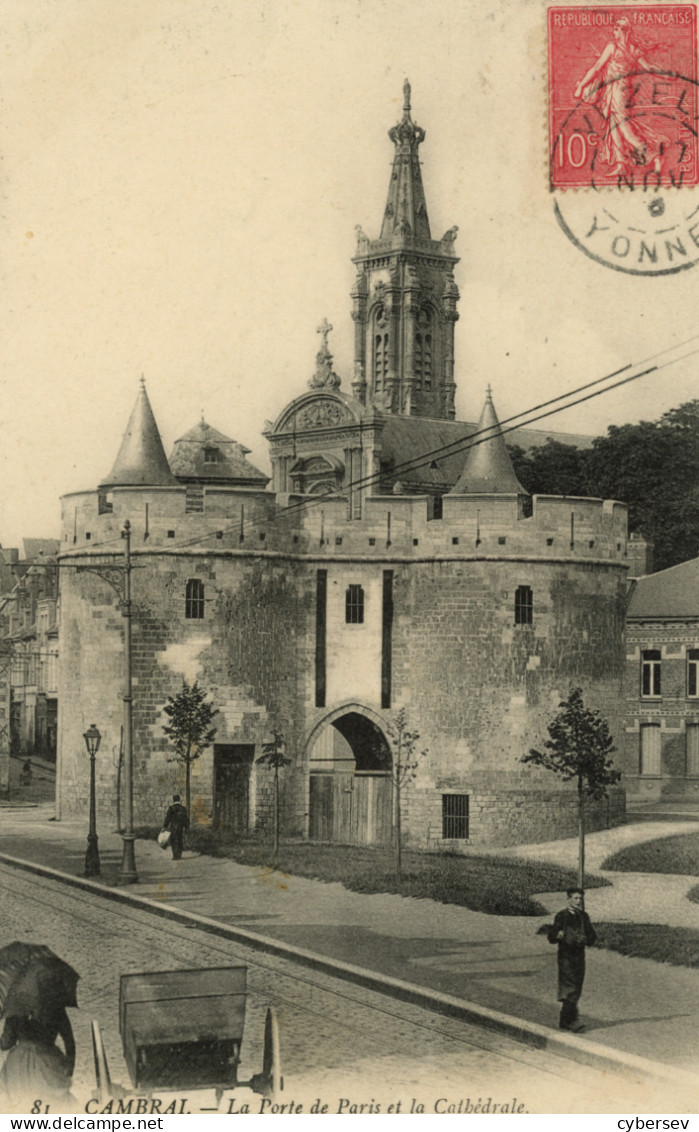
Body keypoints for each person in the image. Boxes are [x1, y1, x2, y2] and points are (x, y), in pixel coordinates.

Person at [574, 17, 666, 176]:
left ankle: (654, 155)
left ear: (623, 31)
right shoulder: (633, 49)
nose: (613, 32)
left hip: (619, 90)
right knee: (612, 125)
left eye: (616, 29)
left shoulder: (613, 47)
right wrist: (664, 74)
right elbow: (649, 67)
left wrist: (582, 86)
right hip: (615, 89)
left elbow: (596, 68)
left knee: (623, 126)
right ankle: (621, 164)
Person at [0, 1007, 75, 1110]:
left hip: (18, 1063)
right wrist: (70, 1068)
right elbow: (69, 1041)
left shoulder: (16, 1006)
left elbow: (6, 1044)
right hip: (48, 1058)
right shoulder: (56, 1006)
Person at [547, 887, 597, 1032]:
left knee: (577, 985)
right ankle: (571, 1020)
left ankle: (564, 1020)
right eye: (575, 898)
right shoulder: (561, 916)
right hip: (566, 956)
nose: (578, 901)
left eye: (580, 899)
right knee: (569, 986)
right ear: (568, 899)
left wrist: (586, 939)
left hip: (579, 956)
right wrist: (558, 935)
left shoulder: (584, 917)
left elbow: (592, 936)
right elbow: (551, 937)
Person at [163, 794, 189, 860]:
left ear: (173, 800)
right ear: (179, 800)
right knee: (180, 840)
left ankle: (175, 855)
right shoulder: (183, 809)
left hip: (173, 827)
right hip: (180, 827)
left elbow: (167, 818)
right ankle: (179, 854)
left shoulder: (171, 808)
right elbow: (186, 819)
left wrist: (165, 826)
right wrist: (186, 827)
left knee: (174, 841)